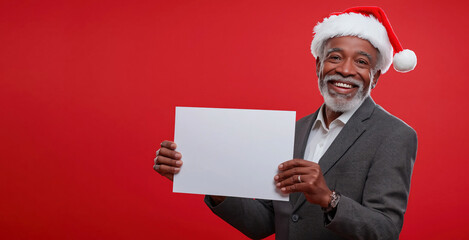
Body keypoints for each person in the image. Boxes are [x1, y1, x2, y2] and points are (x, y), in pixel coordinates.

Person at [154, 6, 417, 240]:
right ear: (319, 65)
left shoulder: (394, 135)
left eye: (361, 62)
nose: (346, 70)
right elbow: (264, 222)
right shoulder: (293, 132)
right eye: (335, 57)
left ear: (375, 77)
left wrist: (329, 198)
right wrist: (204, 176)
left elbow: (385, 230)